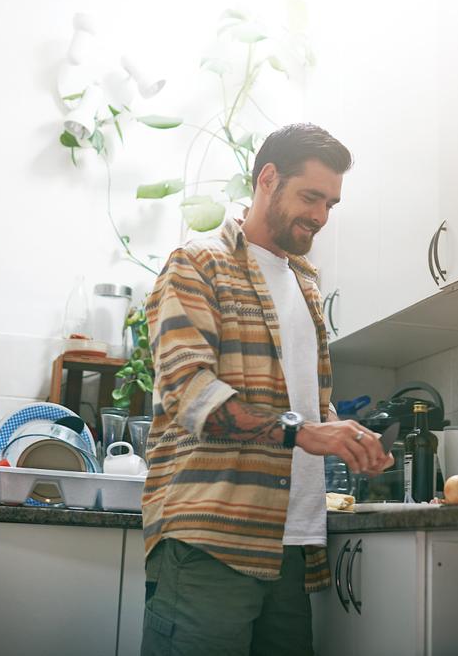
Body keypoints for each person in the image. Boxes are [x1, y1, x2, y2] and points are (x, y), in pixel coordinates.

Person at [140, 123, 393, 656]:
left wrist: (344, 435)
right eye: (310, 197)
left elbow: (301, 403)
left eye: (330, 204)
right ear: (268, 179)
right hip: (213, 541)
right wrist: (306, 433)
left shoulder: (306, 283)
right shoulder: (198, 263)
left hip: (292, 546)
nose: (321, 216)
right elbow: (189, 392)